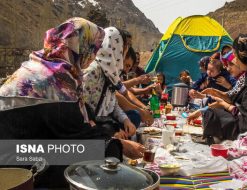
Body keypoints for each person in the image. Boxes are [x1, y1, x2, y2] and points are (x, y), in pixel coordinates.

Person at [0, 18, 144, 188]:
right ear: (80, 46)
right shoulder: (54, 79)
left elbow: (76, 119)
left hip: (21, 147)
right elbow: (75, 133)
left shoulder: (47, 66)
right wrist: (118, 145)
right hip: (14, 160)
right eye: (92, 48)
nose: (93, 57)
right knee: (103, 155)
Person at [83, 27, 139, 140]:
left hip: (102, 123)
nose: (125, 51)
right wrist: (110, 133)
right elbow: (82, 112)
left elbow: (112, 104)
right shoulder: (93, 71)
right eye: (124, 46)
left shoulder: (111, 73)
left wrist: (126, 120)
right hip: (89, 129)